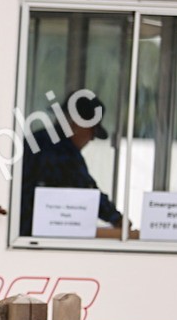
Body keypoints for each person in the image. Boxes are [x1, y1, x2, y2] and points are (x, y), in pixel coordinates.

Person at [18, 92, 124, 237]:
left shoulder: (37, 141)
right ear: (76, 123)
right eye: (92, 130)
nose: (92, 138)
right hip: (33, 236)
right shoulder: (62, 152)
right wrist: (118, 220)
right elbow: (88, 192)